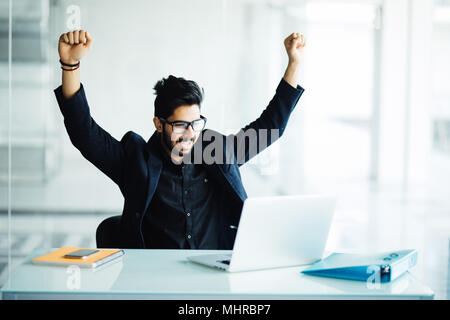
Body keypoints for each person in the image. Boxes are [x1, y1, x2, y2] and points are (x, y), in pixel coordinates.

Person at [54, 30, 306, 249]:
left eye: (196, 123)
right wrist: (70, 66)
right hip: (156, 281)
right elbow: (84, 133)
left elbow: (270, 127)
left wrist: (293, 63)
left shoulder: (217, 152)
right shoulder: (136, 162)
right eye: (180, 125)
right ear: (158, 123)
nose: (190, 133)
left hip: (214, 279)